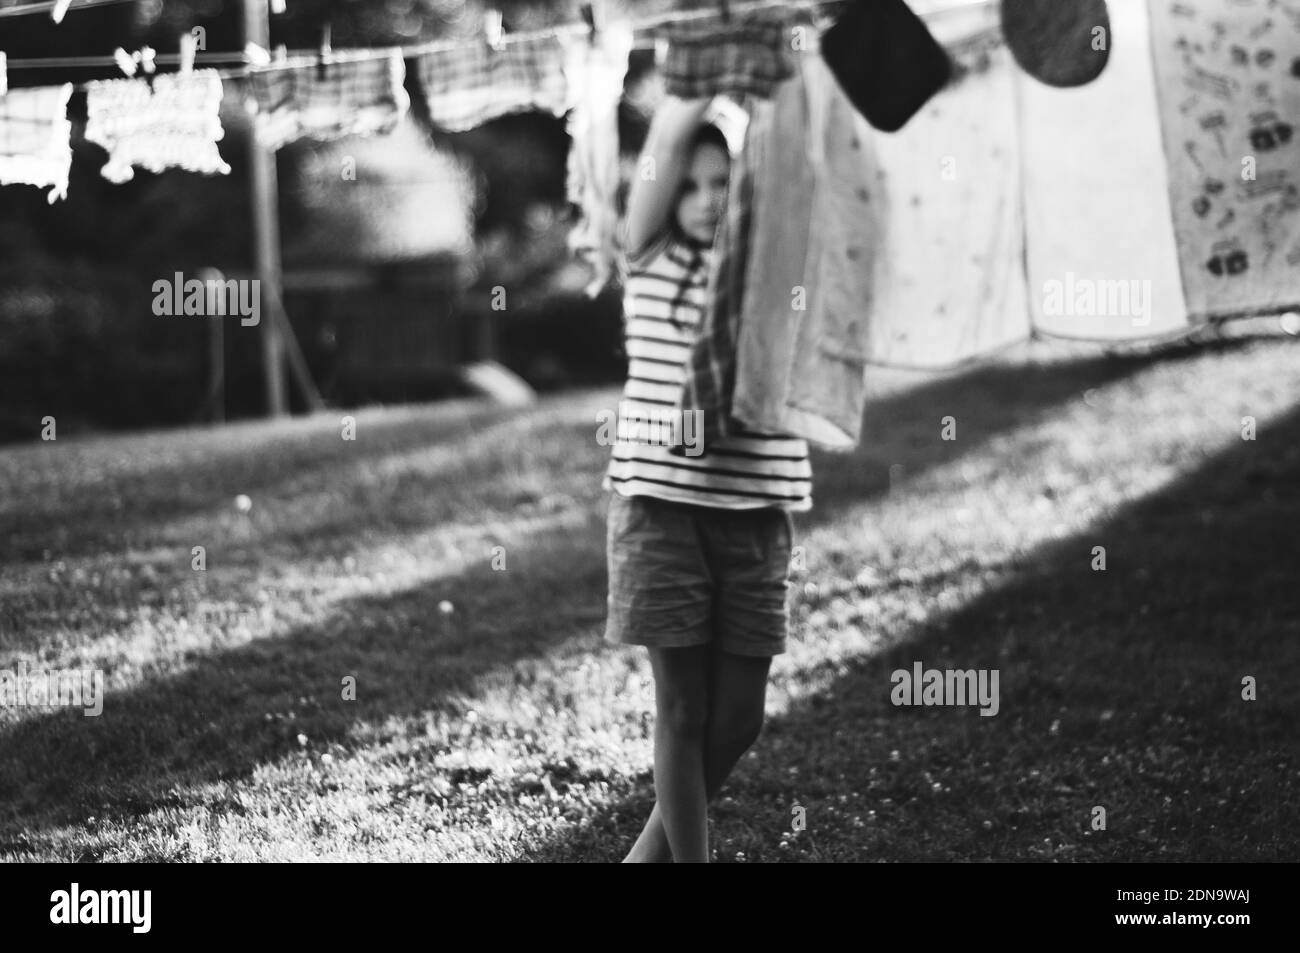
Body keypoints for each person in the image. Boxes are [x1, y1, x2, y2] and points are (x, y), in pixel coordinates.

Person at [603, 94, 814, 863]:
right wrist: (699, 69)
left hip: (757, 511)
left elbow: (795, 163)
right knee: (683, 709)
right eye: (689, 186)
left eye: (721, 182)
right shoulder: (648, 258)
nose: (703, 199)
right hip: (662, 509)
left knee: (739, 720)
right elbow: (662, 147)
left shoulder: (772, 273)